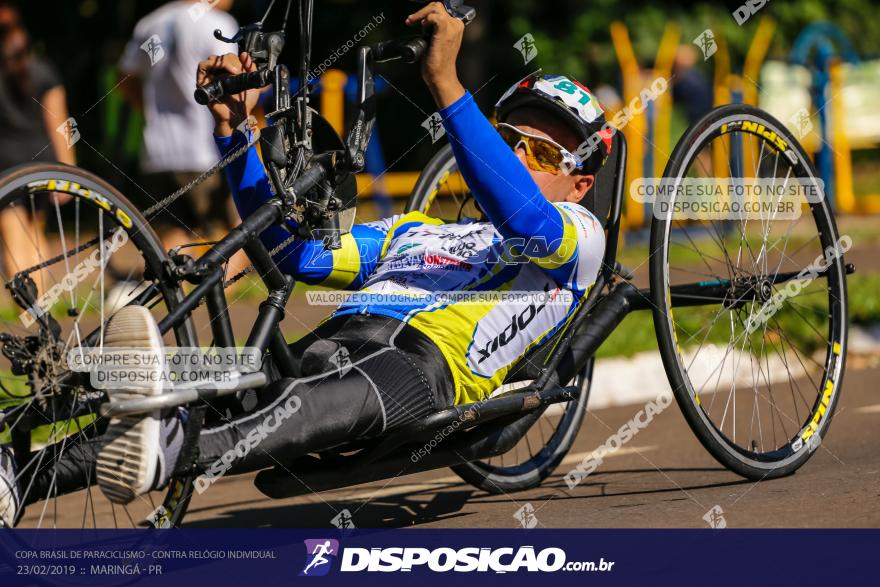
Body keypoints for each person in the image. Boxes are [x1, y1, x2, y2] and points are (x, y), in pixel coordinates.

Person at [0, 2, 613, 516]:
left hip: (422, 371)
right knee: (223, 381)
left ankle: (169, 447)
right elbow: (295, 251)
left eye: (541, 153)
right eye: (510, 142)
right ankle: (18, 469)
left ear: (580, 184)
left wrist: (445, 83)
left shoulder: (581, 237)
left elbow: (525, 216)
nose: (520, 158)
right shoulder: (416, 229)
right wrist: (237, 137)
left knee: (298, 404)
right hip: (335, 341)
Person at [117, 0, 244, 260]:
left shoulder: (150, 24)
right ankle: (212, 299)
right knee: (241, 235)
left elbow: (125, 78)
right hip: (205, 151)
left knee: (173, 236)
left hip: (158, 152)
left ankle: (178, 299)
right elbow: (232, 81)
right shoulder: (218, 25)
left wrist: (152, 110)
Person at [0, 17, 75, 288]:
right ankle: (42, 307)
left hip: (6, 165)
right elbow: (60, 122)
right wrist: (69, 169)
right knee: (36, 236)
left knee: (13, 239)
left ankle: (27, 314)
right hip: (41, 163)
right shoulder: (44, 71)